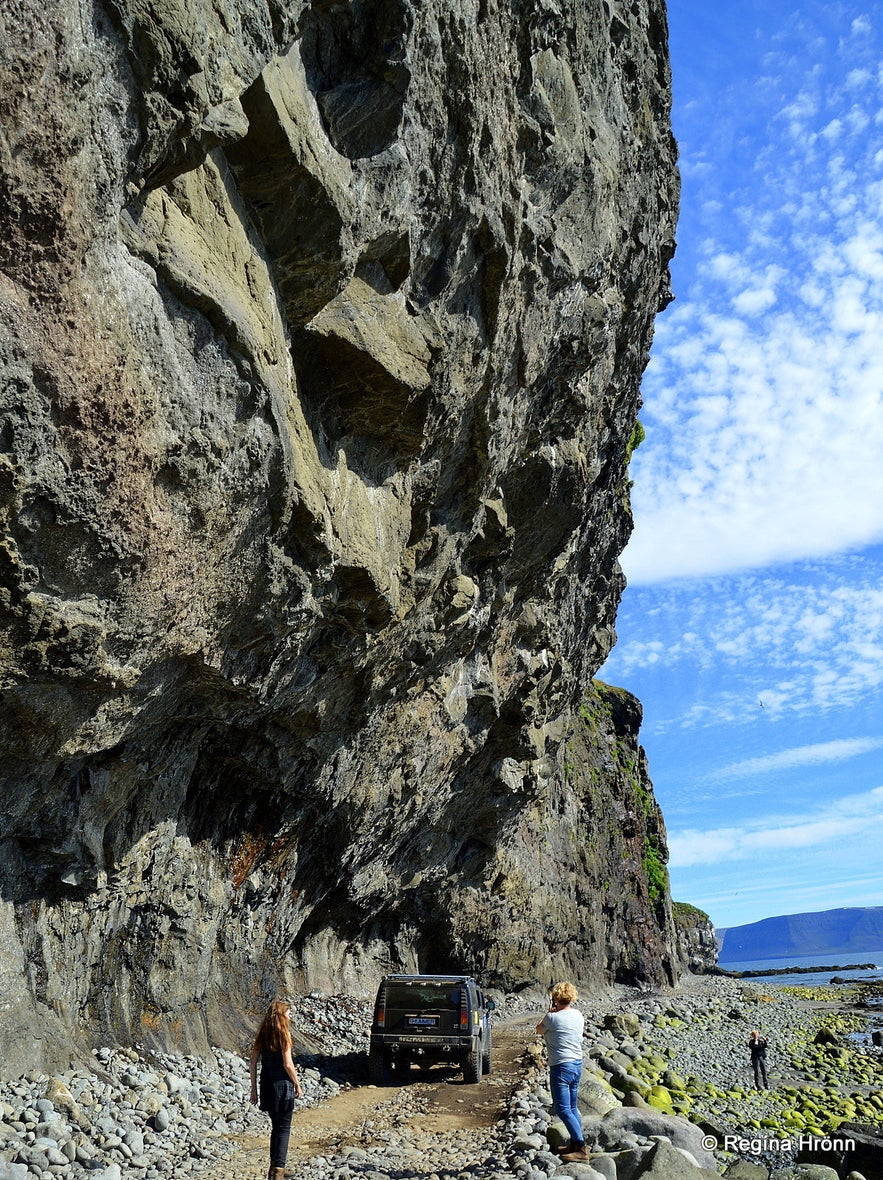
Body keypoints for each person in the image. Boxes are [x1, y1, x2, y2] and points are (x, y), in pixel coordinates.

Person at [250, 999, 303, 1180]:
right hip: (283, 1087)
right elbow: (288, 1064)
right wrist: (297, 1083)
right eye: (288, 1012)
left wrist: (254, 1089)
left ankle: (274, 1169)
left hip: (267, 1086)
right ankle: (279, 1170)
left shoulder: (263, 1034)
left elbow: (253, 1062)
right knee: (284, 1128)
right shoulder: (284, 1034)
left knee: (275, 1127)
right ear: (281, 1014)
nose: (290, 1015)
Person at [536, 981, 588, 1163]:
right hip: (577, 1064)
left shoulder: (552, 1018)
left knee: (563, 1109)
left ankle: (581, 1148)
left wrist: (549, 1012)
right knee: (572, 1107)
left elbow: (538, 1030)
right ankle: (575, 1144)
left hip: (560, 1066)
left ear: (555, 999)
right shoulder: (578, 1015)